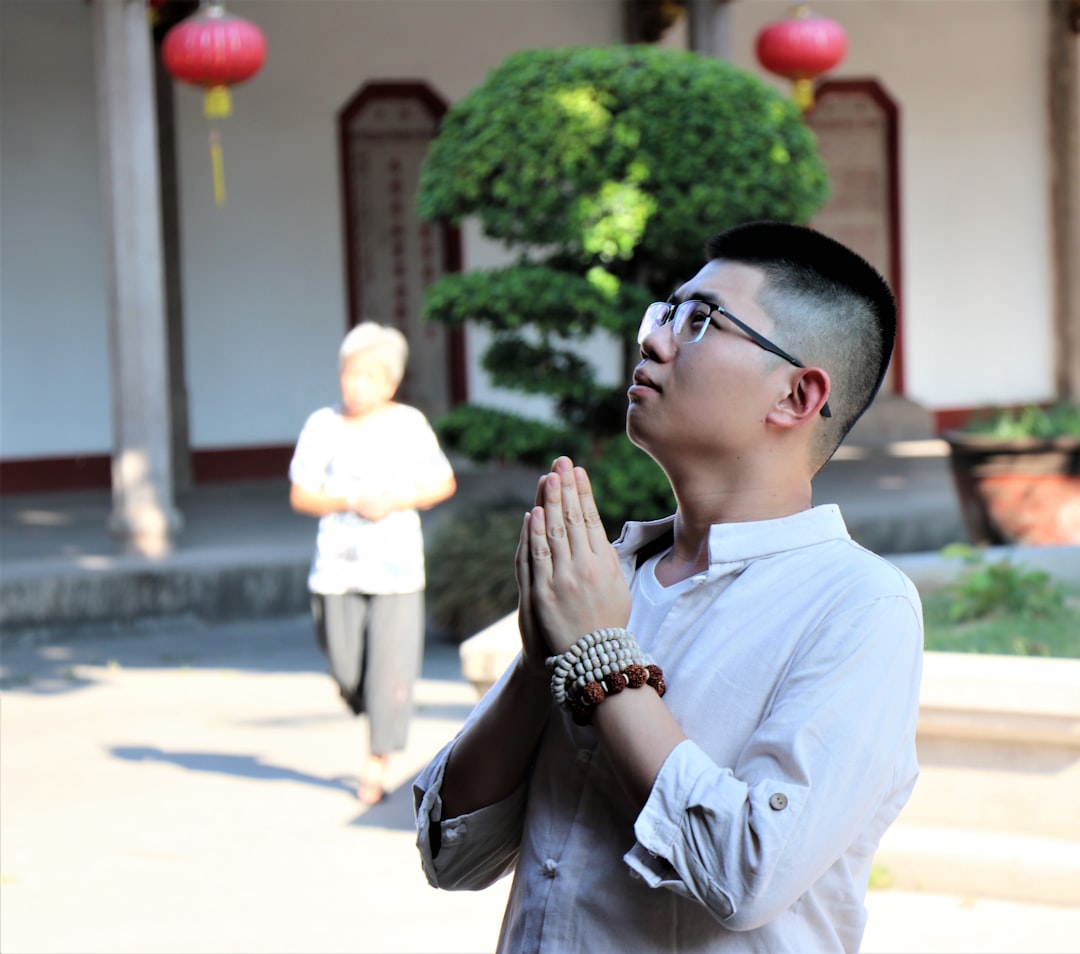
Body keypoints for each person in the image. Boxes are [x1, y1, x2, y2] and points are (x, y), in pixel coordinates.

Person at [412, 221, 923, 952]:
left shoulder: (861, 605)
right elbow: (452, 855)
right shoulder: (604, 578)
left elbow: (746, 875)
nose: (652, 341)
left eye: (699, 322)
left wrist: (599, 657)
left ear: (796, 394)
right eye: (664, 314)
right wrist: (540, 658)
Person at [290, 321, 456, 805]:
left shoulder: (409, 424)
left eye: (368, 377)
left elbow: (442, 482)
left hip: (397, 570)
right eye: (350, 375)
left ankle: (375, 764)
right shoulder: (322, 425)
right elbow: (301, 494)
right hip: (336, 571)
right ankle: (370, 708)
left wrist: (398, 498)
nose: (356, 385)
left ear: (390, 382)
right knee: (345, 670)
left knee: (390, 669)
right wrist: (350, 499)